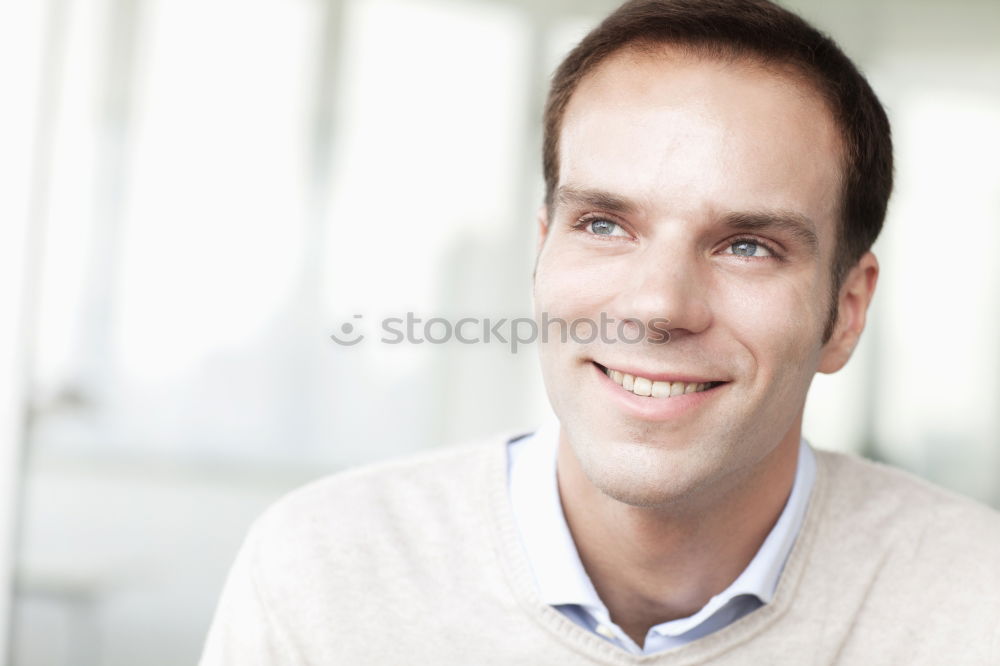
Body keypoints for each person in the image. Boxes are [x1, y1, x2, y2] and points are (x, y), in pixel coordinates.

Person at [200, 1, 1000, 663]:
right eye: (605, 225)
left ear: (845, 312)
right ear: (541, 252)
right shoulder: (322, 571)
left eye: (748, 245)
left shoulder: (975, 603)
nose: (658, 306)